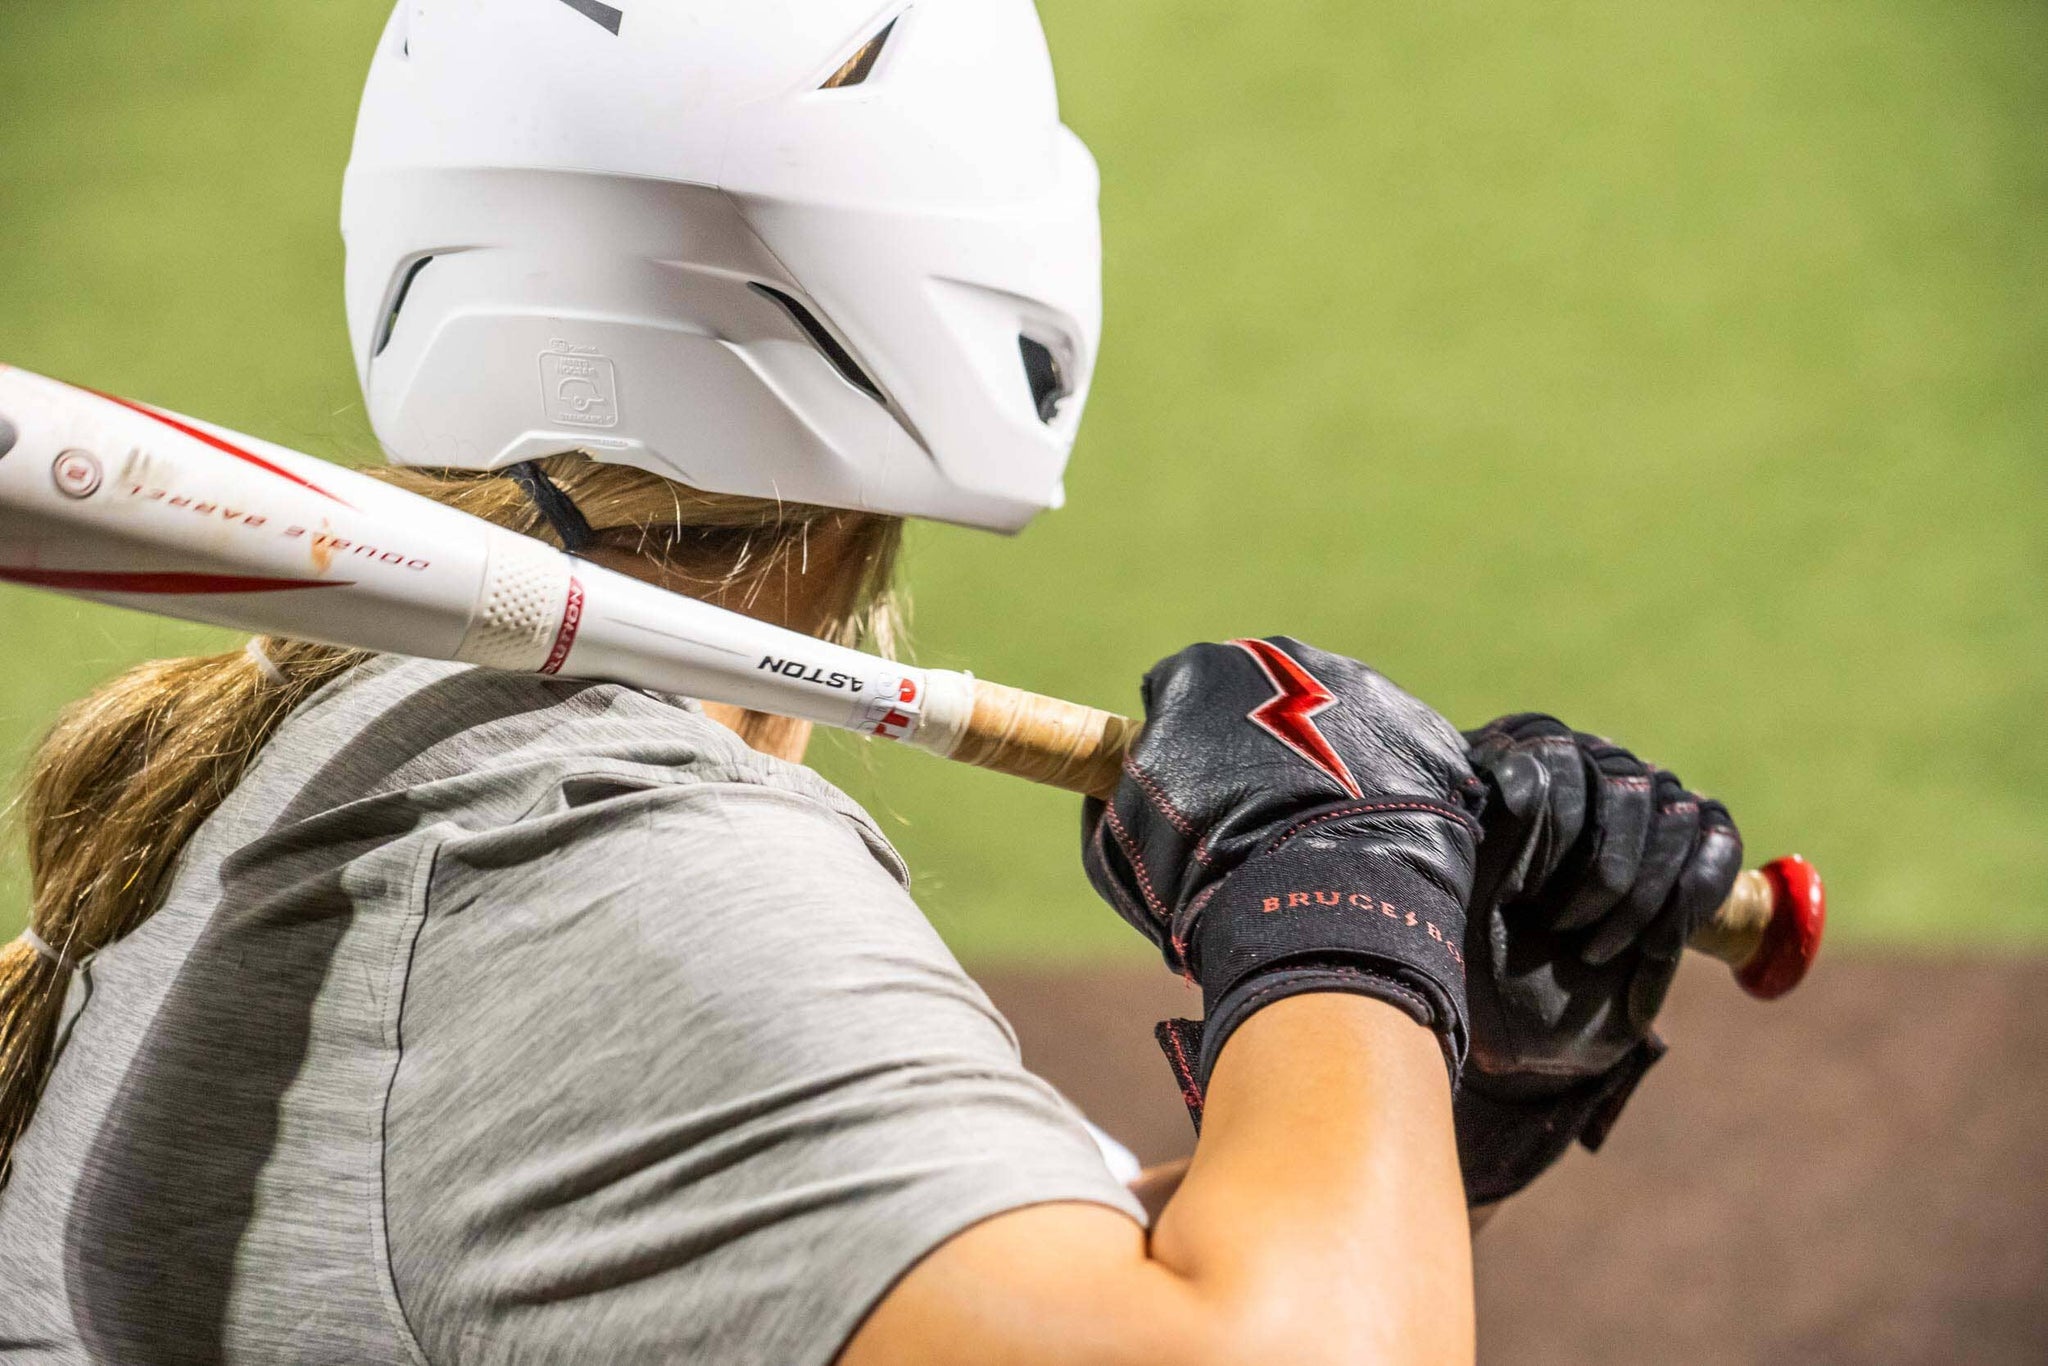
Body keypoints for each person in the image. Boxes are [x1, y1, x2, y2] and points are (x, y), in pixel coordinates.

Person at [0, 3, 1741, 1362]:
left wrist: (1412, 1081)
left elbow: (910, 1289)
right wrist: (1343, 911)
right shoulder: (599, 868)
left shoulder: (372, 745)